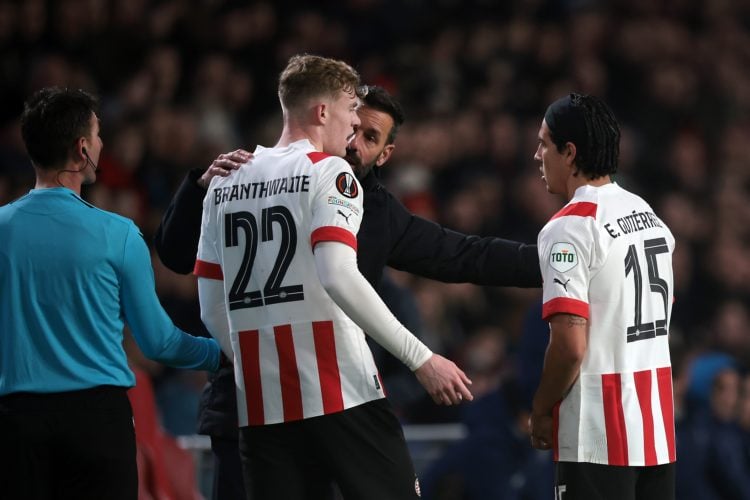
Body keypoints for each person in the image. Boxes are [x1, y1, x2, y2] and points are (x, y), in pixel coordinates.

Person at [155, 85, 542, 499]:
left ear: (386, 154)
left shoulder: (379, 213)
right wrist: (201, 187)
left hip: (333, 400)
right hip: (249, 402)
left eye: (370, 137)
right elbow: (177, 257)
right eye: (354, 126)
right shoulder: (252, 179)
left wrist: (555, 262)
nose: (354, 143)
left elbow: (467, 255)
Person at [194, 54, 474, 500]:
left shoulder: (223, 184)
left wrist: (261, 360)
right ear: (323, 111)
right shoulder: (330, 172)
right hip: (340, 392)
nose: (351, 128)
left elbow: (211, 307)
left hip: (264, 403)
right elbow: (339, 275)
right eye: (349, 113)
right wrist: (422, 359)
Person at [0, 87, 222, 500]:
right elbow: (159, 342)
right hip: (96, 423)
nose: (103, 144)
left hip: (16, 424)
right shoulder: (118, 234)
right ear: (82, 148)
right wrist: (221, 353)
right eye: (98, 135)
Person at [528, 93, 676, 500]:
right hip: (656, 430)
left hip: (597, 436)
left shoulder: (568, 229)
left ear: (569, 153)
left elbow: (571, 346)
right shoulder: (650, 217)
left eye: (544, 144)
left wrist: (541, 409)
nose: (537, 155)